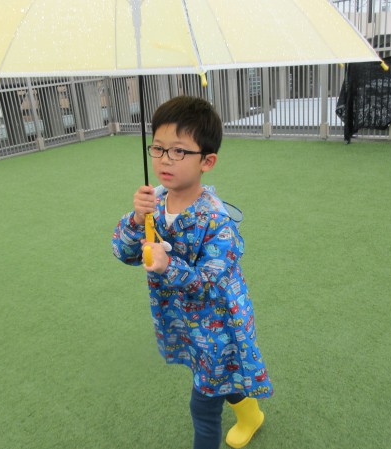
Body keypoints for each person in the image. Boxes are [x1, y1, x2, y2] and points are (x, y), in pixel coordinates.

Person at [111, 96, 273, 449]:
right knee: (219, 378)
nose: (165, 159)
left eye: (179, 151)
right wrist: (136, 219)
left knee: (203, 406)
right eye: (158, 148)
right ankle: (251, 415)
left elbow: (208, 283)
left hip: (220, 324)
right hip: (185, 320)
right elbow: (123, 252)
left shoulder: (217, 220)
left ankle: (247, 415)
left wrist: (168, 266)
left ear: (207, 161)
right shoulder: (153, 201)